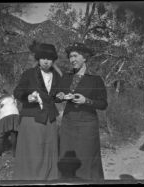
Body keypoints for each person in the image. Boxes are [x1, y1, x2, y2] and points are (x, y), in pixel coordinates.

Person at [56, 42, 108, 180]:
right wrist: (60, 96)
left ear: (84, 57)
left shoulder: (95, 79)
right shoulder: (66, 77)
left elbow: (103, 104)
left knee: (87, 160)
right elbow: (56, 95)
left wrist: (87, 101)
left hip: (87, 125)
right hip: (68, 123)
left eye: (75, 56)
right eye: (70, 57)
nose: (72, 59)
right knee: (67, 160)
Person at [13, 41, 61, 180]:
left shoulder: (57, 76)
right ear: (38, 59)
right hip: (32, 119)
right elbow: (17, 92)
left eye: (50, 58)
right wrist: (27, 97)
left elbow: (56, 97)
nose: (46, 61)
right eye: (43, 58)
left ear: (53, 60)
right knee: (33, 153)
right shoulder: (29, 74)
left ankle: (48, 179)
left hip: (50, 120)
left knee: (49, 152)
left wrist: (60, 96)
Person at [0, 92, 19, 158]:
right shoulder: (12, 97)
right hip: (14, 114)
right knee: (13, 133)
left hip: (5, 115)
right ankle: (14, 153)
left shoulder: (0, 99)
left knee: (1, 135)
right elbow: (16, 105)